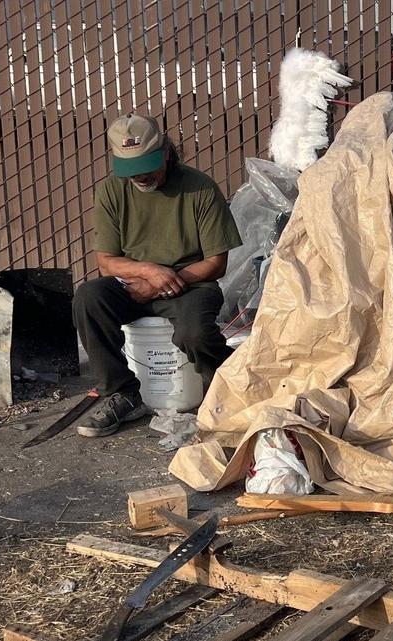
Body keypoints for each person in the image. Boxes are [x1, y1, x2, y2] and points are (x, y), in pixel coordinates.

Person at [72, 114, 242, 437]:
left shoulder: (200, 188)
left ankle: (226, 382)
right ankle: (122, 393)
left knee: (194, 333)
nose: (140, 176)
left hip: (190, 283)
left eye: (147, 166)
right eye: (130, 170)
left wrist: (163, 283)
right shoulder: (111, 191)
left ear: (165, 152)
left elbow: (216, 263)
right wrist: (150, 272)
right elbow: (106, 261)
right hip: (134, 282)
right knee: (88, 299)